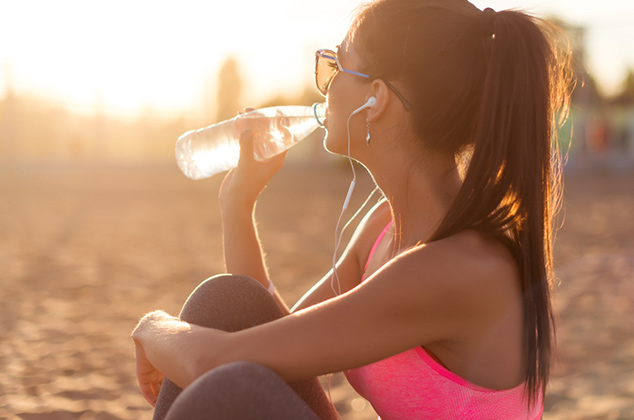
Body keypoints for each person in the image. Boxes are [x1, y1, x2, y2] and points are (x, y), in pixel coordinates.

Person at [132, 0, 572, 418]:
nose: (325, 82)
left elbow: (218, 364)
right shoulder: (385, 224)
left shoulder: (457, 268)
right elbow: (264, 338)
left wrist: (152, 327)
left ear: (374, 98)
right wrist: (238, 202)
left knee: (230, 387)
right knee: (227, 301)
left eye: (337, 64)